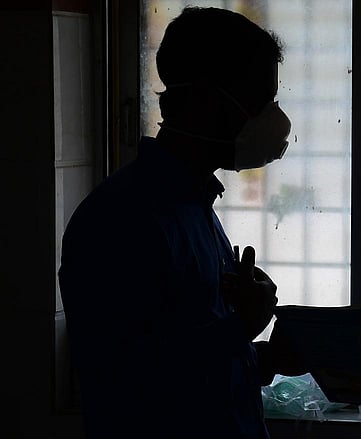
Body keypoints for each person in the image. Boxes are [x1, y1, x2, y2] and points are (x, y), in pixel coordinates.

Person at [58, 7, 291, 439]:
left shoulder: (194, 205)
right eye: (259, 101)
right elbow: (127, 381)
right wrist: (241, 327)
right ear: (204, 100)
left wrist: (266, 359)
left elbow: (192, 358)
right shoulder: (119, 221)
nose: (273, 120)